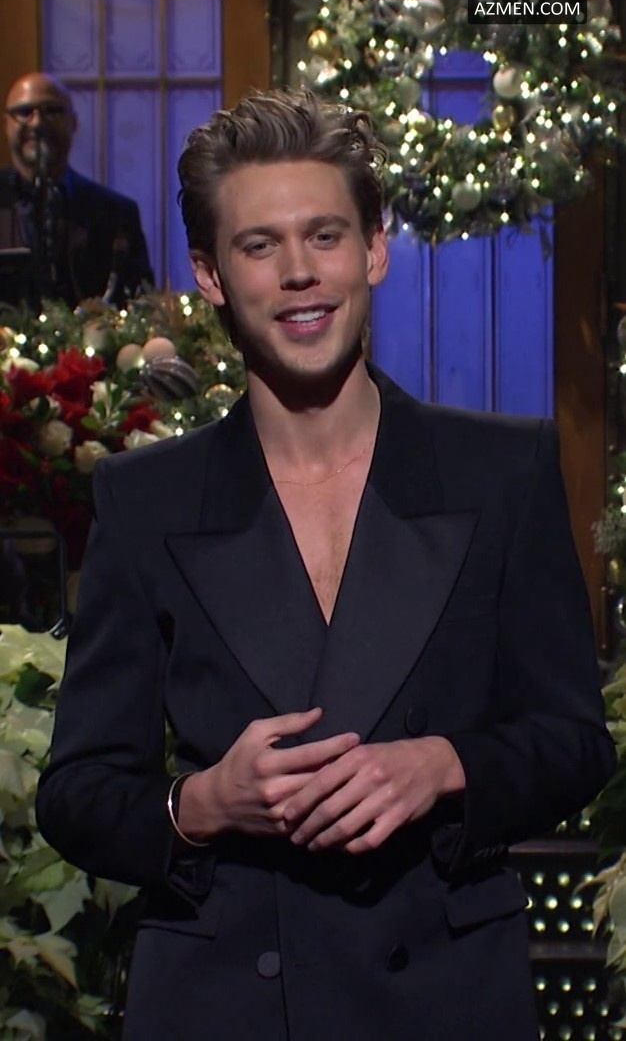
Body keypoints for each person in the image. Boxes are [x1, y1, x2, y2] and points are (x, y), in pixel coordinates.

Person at [36, 88, 615, 1041]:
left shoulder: (502, 472)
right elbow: (79, 792)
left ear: (374, 249)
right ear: (211, 274)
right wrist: (205, 803)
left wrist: (444, 764)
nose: (300, 272)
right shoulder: (146, 500)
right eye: (260, 245)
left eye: (325, 236)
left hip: (445, 998)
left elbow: (574, 742)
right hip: (225, 999)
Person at [0, 72, 153, 309]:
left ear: (73, 123)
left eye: (52, 111)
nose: (37, 123)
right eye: (25, 112)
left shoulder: (116, 215)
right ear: (6, 124)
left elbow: (141, 306)